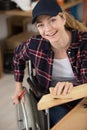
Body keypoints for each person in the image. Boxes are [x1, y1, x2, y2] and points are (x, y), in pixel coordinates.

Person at [12, 0, 87, 128]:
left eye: (52, 20)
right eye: (41, 25)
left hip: (83, 99)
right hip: (55, 102)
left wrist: (72, 88)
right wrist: (18, 87)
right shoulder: (35, 45)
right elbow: (17, 56)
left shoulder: (83, 43)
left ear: (63, 18)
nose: (48, 29)